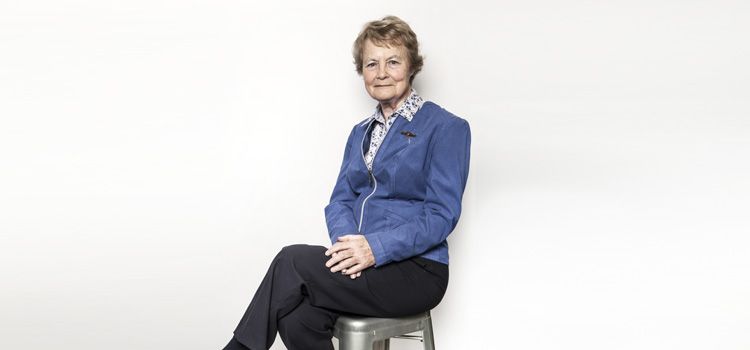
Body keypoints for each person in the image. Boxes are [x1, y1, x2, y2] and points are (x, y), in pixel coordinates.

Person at [223, 15, 471, 350]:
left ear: (411, 66)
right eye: (372, 63)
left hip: (416, 271)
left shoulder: (446, 128)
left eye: (393, 61)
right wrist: (349, 250)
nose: (381, 72)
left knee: (291, 260)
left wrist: (375, 249)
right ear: (362, 72)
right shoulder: (359, 133)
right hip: (364, 265)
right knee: (297, 316)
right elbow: (340, 200)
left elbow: (441, 216)